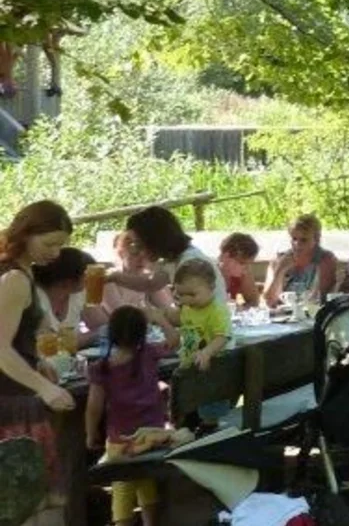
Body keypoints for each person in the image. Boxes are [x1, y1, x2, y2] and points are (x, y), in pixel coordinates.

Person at [0, 201, 77, 524]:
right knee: (37, 510)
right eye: (49, 244)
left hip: (16, 395)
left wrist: (37, 359)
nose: (56, 253)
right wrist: (44, 387)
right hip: (11, 405)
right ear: (25, 233)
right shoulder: (14, 279)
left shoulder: (21, 271)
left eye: (61, 245)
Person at [85, 305, 179, 526]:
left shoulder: (102, 368)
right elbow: (175, 340)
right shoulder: (149, 353)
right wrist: (160, 319)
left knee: (122, 488)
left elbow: (93, 407)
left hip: (122, 442)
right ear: (142, 333)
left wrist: (90, 433)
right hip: (153, 437)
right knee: (146, 483)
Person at [111, 206, 229, 304]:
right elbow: (150, 284)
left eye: (140, 244)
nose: (140, 252)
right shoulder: (175, 260)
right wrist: (113, 277)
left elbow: (195, 313)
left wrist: (160, 318)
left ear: (154, 240)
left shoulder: (190, 262)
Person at [169, 260, 231, 430]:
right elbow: (184, 325)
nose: (186, 299)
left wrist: (207, 352)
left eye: (192, 294)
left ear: (211, 288)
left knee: (208, 412)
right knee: (186, 409)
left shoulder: (216, 310)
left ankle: (209, 428)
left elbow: (222, 336)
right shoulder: (189, 308)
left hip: (210, 370)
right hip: (191, 367)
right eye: (181, 295)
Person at [32, 248, 109, 351]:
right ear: (68, 280)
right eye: (88, 275)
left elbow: (104, 326)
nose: (92, 279)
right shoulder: (34, 296)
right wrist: (94, 335)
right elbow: (51, 346)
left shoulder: (79, 294)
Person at [263, 214, 338, 304]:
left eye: (304, 240)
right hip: (281, 313)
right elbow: (269, 300)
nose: (297, 244)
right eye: (294, 239)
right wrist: (280, 270)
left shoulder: (325, 260)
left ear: (316, 239)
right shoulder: (279, 260)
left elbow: (318, 298)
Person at [103, 232, 176, 314]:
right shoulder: (109, 278)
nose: (141, 260)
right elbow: (120, 314)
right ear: (121, 253)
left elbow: (168, 307)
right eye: (135, 254)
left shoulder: (149, 279)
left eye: (147, 255)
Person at [216, 233, 261, 308]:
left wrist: (241, 309)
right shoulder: (209, 275)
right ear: (226, 256)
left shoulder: (241, 274)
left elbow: (254, 302)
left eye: (249, 264)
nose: (246, 269)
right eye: (242, 263)